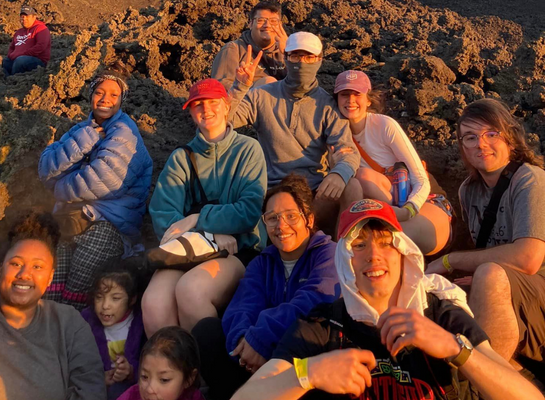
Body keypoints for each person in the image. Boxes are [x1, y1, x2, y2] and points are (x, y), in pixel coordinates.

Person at [232, 199, 544, 400]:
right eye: (360, 246)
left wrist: (454, 349)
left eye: (385, 243)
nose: (374, 256)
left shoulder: (441, 317)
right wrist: (307, 374)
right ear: (345, 260)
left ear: (403, 252)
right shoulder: (322, 325)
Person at [426, 98, 545, 383]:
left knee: (489, 273)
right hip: (512, 288)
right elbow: (485, 250)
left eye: (491, 134)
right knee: (442, 294)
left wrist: (450, 261)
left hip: (538, 289)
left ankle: (485, 385)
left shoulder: (531, 180)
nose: (481, 144)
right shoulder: (469, 190)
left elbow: (527, 259)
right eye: (470, 137)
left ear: (510, 137)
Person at [192, 174, 341, 400]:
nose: (281, 226)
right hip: (256, 361)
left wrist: (262, 339)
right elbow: (243, 305)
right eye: (272, 218)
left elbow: (315, 301)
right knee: (207, 332)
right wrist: (244, 341)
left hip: (300, 364)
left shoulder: (329, 254)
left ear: (308, 219)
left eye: (291, 216)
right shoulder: (263, 262)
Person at [142, 78, 266, 337]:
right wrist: (209, 235)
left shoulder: (248, 150)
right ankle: (172, 374)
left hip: (239, 248)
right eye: (197, 105)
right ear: (190, 113)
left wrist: (197, 218)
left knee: (192, 290)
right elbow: (164, 214)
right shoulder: (181, 158)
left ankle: (208, 372)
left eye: (211, 103)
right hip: (190, 248)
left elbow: (248, 212)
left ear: (225, 105)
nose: (205, 110)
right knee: (153, 303)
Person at [0, 212, 106, 400]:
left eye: (37, 267)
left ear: (50, 278)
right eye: (15, 263)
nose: (24, 274)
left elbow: (91, 390)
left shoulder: (67, 323)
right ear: (0, 270)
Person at [39, 68, 153, 310]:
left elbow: (103, 180)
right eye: (99, 93)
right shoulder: (82, 129)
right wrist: (86, 140)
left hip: (109, 227)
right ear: (90, 96)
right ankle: (42, 338)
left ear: (122, 99)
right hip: (71, 221)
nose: (105, 99)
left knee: (74, 297)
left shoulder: (127, 134)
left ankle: (72, 338)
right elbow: (45, 166)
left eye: (113, 94)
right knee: (49, 290)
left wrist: (58, 188)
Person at [229, 32, 361, 238]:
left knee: (351, 186)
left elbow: (348, 151)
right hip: (272, 192)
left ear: (319, 60)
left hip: (314, 195)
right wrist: (240, 87)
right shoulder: (262, 96)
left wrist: (339, 173)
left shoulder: (328, 107)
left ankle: (342, 250)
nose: (302, 63)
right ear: (285, 58)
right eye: (295, 57)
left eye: (309, 58)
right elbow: (224, 122)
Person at [333, 70, 453, 255]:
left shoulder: (384, 126)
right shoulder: (335, 135)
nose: (350, 100)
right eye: (344, 94)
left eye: (357, 94)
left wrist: (407, 210)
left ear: (368, 100)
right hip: (379, 210)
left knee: (382, 240)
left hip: (421, 203)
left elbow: (420, 178)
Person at [81, 262, 145, 400]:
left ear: (132, 299)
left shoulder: (142, 323)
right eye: (99, 297)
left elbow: (151, 362)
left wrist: (130, 371)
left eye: (115, 298)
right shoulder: (84, 322)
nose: (105, 306)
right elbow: (78, 363)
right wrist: (99, 380)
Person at [211, 1, 287, 90]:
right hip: (245, 101)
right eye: (261, 20)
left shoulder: (289, 52)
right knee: (269, 83)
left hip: (284, 101)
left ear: (280, 25)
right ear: (250, 24)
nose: (267, 25)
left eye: (273, 21)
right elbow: (220, 86)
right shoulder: (234, 49)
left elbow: (301, 84)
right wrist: (244, 84)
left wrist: (289, 52)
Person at [117, 326, 204, 400]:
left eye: (164, 380)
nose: (150, 389)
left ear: (189, 379)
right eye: (144, 377)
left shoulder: (194, 397)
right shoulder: (130, 397)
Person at [2, 5, 50, 76]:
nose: (24, 19)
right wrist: (10, 55)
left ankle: (14, 80)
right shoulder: (18, 32)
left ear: (34, 17)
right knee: (6, 61)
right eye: (22, 17)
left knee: (20, 61)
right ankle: (6, 80)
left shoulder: (41, 28)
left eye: (27, 16)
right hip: (18, 58)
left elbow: (41, 46)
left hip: (37, 61)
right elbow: (12, 47)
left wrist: (22, 54)